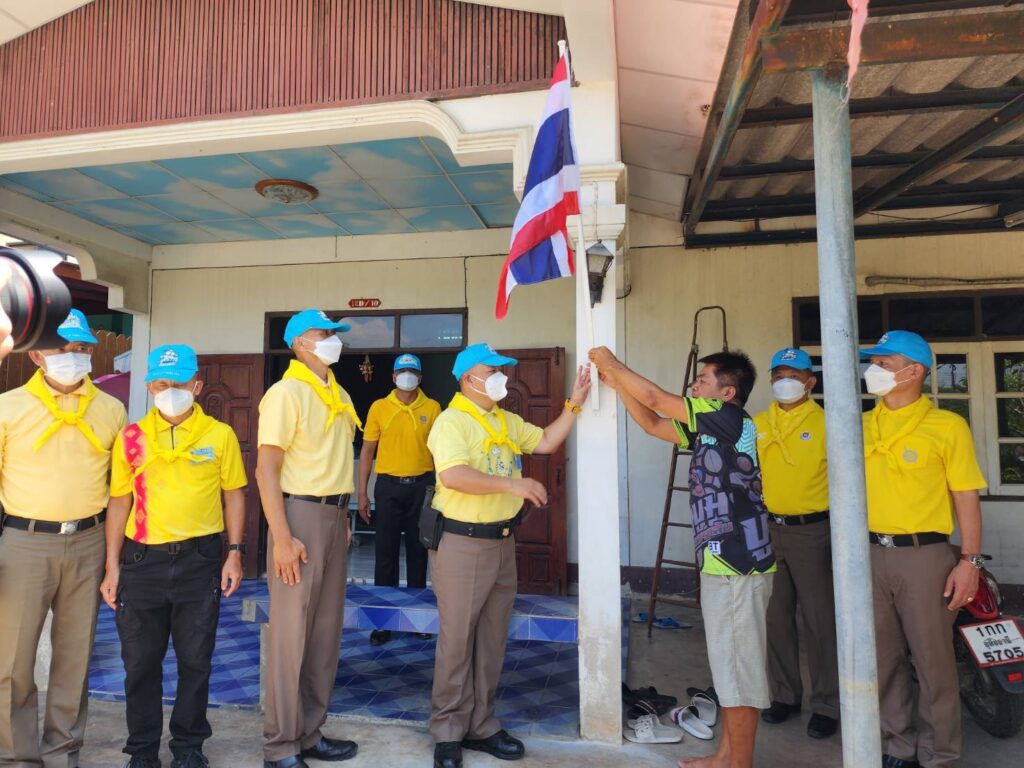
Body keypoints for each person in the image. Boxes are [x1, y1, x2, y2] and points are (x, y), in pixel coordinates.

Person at [589, 346, 774, 768]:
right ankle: (725, 755)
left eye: (702, 381)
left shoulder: (729, 418)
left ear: (727, 393)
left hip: (739, 564)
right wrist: (618, 385)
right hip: (722, 563)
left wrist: (615, 365)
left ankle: (738, 763)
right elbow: (653, 423)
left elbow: (656, 399)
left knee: (740, 671)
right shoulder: (709, 429)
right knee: (729, 667)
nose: (693, 387)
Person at [427, 343, 590, 768]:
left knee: (492, 640)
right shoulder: (452, 421)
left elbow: (546, 441)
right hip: (462, 543)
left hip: (501, 543)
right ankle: (447, 731)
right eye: (493, 370)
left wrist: (575, 402)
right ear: (468, 379)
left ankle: (481, 724)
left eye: (503, 370)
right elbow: (454, 475)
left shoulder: (504, 420)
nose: (502, 377)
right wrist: (514, 485)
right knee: (457, 642)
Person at [100, 344, 246, 768]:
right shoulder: (132, 437)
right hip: (142, 561)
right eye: (162, 384)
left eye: (179, 383)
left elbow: (234, 495)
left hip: (201, 560)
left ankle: (188, 747)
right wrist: (112, 566)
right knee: (140, 663)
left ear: (197, 386)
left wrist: (234, 553)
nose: (170, 391)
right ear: (149, 387)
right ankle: (143, 750)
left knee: (196, 660)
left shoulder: (219, 434)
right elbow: (119, 502)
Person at [0, 309, 127, 766]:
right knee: (12, 661)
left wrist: (112, 562)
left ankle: (62, 753)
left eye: (82, 348)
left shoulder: (111, 410)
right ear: (36, 355)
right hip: (23, 543)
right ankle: (16, 756)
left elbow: (119, 491)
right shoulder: (8, 407)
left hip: (89, 541)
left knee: (75, 658)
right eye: (62, 348)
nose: (74, 356)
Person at [860, 331, 985, 768]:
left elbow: (966, 495)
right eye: (873, 362)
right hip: (870, 553)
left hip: (925, 557)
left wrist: (970, 562)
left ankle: (939, 753)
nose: (873, 370)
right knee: (884, 657)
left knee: (933, 662)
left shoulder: (946, 426)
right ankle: (898, 743)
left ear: (914, 371)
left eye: (884, 363)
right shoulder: (860, 424)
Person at [255, 309, 360, 768]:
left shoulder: (338, 392)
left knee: (324, 633)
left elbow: (334, 461)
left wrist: (344, 516)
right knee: (291, 634)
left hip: (334, 516)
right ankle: (280, 745)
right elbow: (266, 469)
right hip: (298, 516)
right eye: (324, 333)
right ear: (300, 342)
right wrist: (282, 538)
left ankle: (310, 733)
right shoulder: (286, 393)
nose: (333, 339)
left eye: (335, 333)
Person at [753, 348, 839, 739]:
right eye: (778, 374)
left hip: (813, 532)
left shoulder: (828, 423)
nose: (784, 381)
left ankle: (827, 704)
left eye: (793, 375)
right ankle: (784, 695)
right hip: (770, 530)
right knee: (775, 617)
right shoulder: (759, 423)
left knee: (819, 620)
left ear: (810, 382)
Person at [357, 352, 441, 645]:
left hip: (422, 487)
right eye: (402, 372)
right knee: (386, 554)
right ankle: (383, 622)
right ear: (393, 377)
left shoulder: (433, 407)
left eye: (412, 372)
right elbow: (367, 451)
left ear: (420, 377)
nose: (407, 376)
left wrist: (444, 489)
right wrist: (362, 492)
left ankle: (418, 619)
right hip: (388, 487)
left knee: (419, 554)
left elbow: (440, 452)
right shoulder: (379, 407)